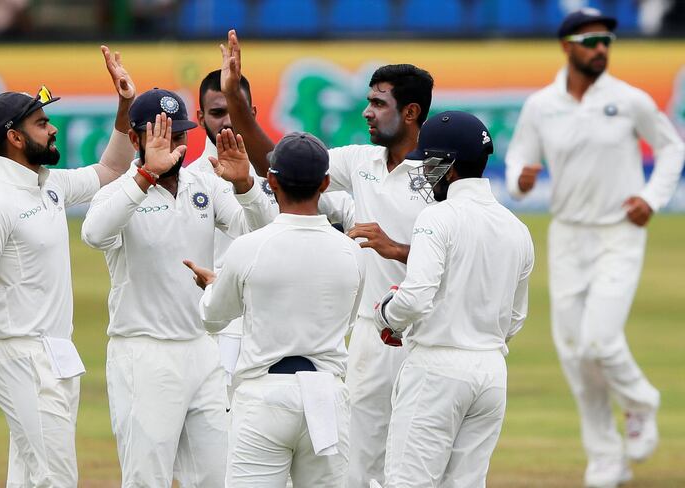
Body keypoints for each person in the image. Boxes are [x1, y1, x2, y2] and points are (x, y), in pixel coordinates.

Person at [217, 30, 434, 487]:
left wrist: (397, 249)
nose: (367, 112)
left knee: (421, 468)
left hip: (431, 336)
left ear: (411, 112)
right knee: (357, 468)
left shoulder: (442, 173)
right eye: (369, 102)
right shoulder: (361, 161)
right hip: (373, 337)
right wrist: (236, 99)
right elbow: (279, 163)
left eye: (379, 103)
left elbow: (463, 256)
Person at [505, 8, 685, 487]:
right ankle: (606, 456)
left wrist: (651, 197)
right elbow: (521, 155)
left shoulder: (630, 100)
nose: (602, 48)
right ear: (567, 47)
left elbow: (671, 148)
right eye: (592, 40)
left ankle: (641, 402)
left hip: (618, 232)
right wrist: (520, 180)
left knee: (600, 340)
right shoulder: (542, 105)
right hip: (567, 233)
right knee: (573, 352)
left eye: (608, 40)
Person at [0, 46, 136, 487]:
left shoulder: (48, 187)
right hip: (22, 358)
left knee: (31, 478)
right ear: (14, 137)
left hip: (56, 353)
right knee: (55, 479)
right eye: (42, 123)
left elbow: (111, 168)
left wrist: (125, 106)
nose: (52, 130)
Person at [80, 88, 276, 488]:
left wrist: (246, 188)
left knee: (217, 477)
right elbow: (94, 235)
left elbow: (264, 234)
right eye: (161, 136)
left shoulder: (205, 184)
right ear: (136, 139)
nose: (175, 146)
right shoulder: (118, 193)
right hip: (144, 352)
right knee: (146, 478)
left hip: (203, 349)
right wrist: (145, 175)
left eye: (179, 134)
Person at [184, 132, 366, 487]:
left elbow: (213, 317)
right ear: (326, 183)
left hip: (263, 397)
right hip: (326, 394)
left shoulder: (249, 248)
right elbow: (347, 319)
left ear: (272, 181)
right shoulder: (351, 251)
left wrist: (212, 286)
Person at [372, 111, 535, 488]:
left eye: (429, 163)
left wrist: (386, 316)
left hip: (436, 369)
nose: (425, 173)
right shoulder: (517, 228)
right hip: (491, 373)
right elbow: (515, 318)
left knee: (407, 483)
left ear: (449, 166)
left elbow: (414, 298)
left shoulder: (437, 217)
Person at [190, 69, 355, 393]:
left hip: (284, 324)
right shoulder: (191, 179)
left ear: (250, 114)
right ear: (200, 117)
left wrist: (247, 186)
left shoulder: (287, 168)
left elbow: (289, 228)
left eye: (232, 111)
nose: (225, 122)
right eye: (216, 113)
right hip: (223, 325)